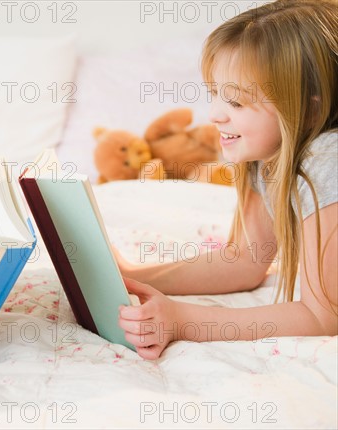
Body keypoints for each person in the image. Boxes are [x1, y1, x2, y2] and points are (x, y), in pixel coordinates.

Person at [116, 0, 337, 360]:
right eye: (215, 93)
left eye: (235, 102)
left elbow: (322, 316)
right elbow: (244, 261)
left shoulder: (327, 162)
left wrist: (183, 320)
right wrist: (132, 275)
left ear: (309, 110)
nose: (214, 115)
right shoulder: (264, 154)